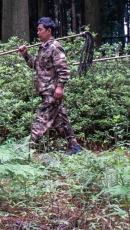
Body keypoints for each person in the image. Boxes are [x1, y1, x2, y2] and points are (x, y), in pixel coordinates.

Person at [18, 17, 83, 155]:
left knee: (40, 120)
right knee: (60, 122)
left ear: (49, 31)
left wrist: (60, 87)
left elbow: (64, 70)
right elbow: (37, 66)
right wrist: (25, 55)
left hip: (52, 92)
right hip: (46, 91)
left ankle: (25, 149)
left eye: (40, 30)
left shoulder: (55, 47)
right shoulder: (43, 48)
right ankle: (75, 147)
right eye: (37, 30)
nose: (38, 33)